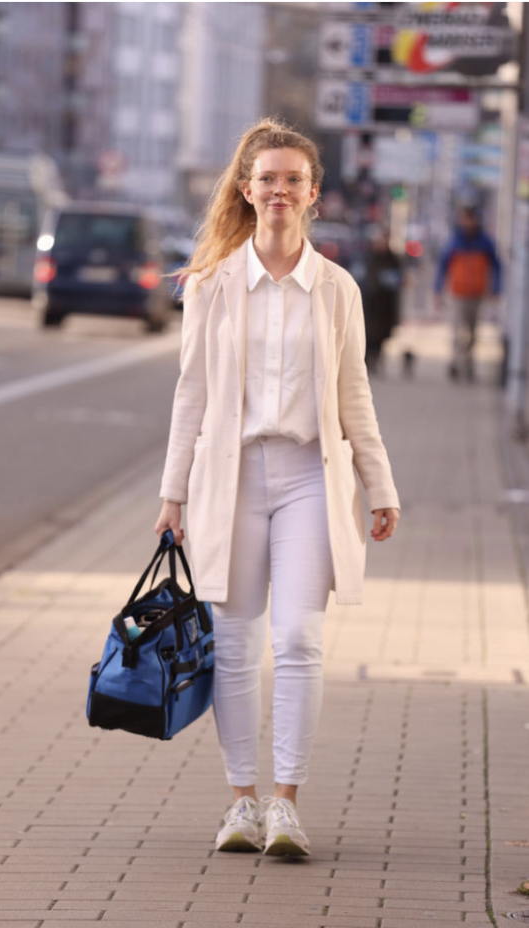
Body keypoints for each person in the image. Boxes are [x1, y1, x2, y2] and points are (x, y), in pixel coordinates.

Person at [155, 119, 400, 858]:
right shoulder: (212, 286)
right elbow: (191, 394)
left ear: (313, 193)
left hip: (307, 480)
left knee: (297, 638)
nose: (280, 190)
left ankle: (285, 804)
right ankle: (241, 801)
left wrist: (379, 485)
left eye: (294, 179)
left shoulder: (337, 289)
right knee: (234, 644)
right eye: (268, 179)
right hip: (229, 479)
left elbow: (354, 393)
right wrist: (173, 495)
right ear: (246, 189)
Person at [435, 206, 501, 381]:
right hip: (458, 293)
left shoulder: (485, 242)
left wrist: (496, 289)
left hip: (477, 294)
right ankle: (456, 362)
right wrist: (438, 290)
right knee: (457, 331)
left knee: (472, 332)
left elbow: (496, 267)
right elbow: (442, 267)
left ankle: (468, 363)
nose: (468, 223)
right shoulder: (454, 241)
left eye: (470, 219)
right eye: (465, 219)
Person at [361, 226, 402, 375]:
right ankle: (366, 362)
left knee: (381, 336)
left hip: (386, 304)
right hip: (369, 303)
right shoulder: (368, 257)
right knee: (367, 334)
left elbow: (398, 278)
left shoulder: (393, 259)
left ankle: (376, 360)